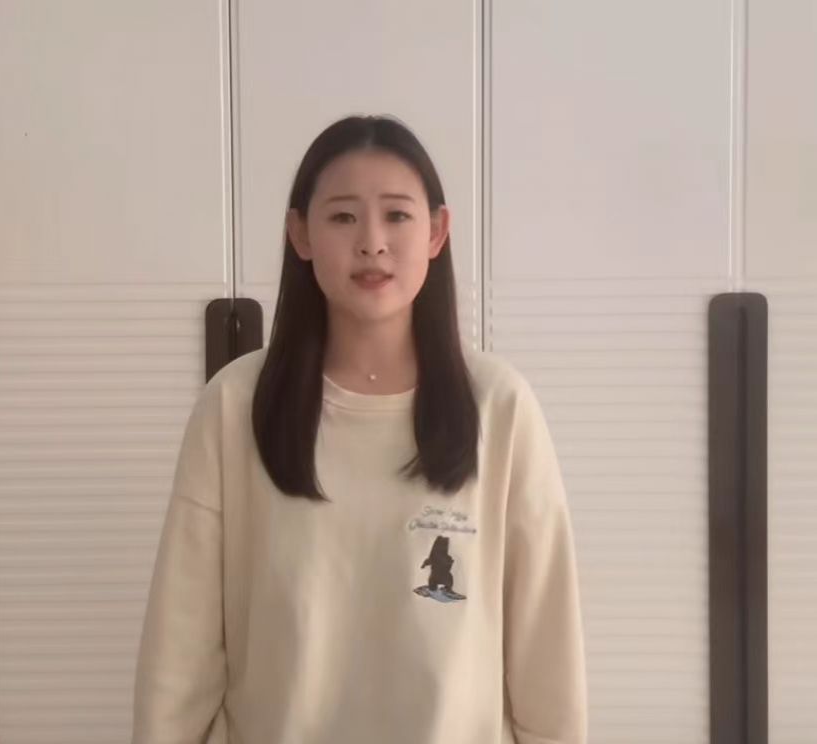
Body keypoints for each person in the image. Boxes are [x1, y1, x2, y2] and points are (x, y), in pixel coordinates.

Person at [131, 114, 587, 743]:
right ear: (300, 233)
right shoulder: (234, 406)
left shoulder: (500, 407)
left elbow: (547, 653)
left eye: (397, 215)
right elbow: (179, 654)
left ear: (437, 231)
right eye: (343, 217)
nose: (372, 242)